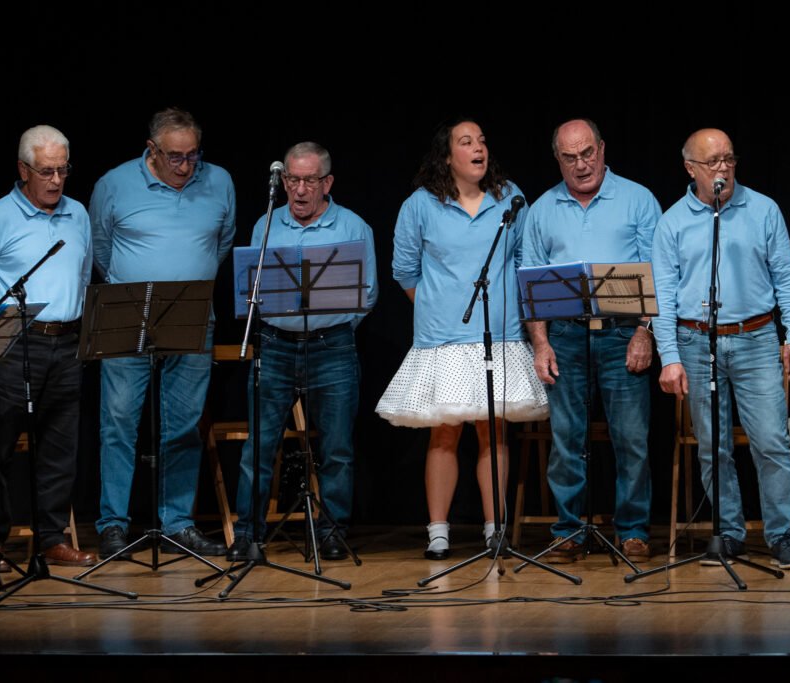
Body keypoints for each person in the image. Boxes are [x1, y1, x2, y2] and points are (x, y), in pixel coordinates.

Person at [377, 119, 547, 559]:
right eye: (466, 142)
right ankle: (438, 531)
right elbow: (404, 271)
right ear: (447, 155)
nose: (478, 148)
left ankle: (495, 528)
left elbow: (525, 261)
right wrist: (439, 306)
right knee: (444, 434)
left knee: (493, 431)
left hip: (499, 335)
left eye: (482, 141)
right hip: (444, 338)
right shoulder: (421, 204)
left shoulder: (509, 197)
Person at [651, 128, 790, 569]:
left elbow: (788, 277)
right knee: (712, 447)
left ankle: (781, 535)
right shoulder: (672, 222)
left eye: (729, 158)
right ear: (691, 169)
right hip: (695, 341)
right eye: (713, 162)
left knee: (771, 442)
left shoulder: (763, 210)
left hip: (756, 337)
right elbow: (662, 296)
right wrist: (670, 358)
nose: (723, 168)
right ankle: (729, 534)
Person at [90, 108, 236, 559]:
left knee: (184, 425)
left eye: (193, 155)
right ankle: (114, 525)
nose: (186, 166)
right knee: (118, 422)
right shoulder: (114, 184)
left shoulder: (220, 181)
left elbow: (222, 242)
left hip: (192, 314)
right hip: (127, 313)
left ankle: (177, 525)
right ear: (151, 150)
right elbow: (100, 248)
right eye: (175, 156)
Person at [226, 142, 377, 562]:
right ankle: (248, 535)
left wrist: (331, 326)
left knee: (336, 450)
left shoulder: (353, 227)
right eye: (292, 179)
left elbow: (366, 294)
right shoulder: (266, 225)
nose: (299, 189)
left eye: (309, 180)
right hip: (275, 346)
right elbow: (253, 290)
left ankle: (332, 531)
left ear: (327, 183)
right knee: (259, 448)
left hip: (332, 348)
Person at [521, 118, 661, 562]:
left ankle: (633, 531)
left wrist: (645, 332)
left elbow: (660, 273)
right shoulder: (541, 209)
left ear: (602, 149)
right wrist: (541, 344)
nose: (581, 164)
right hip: (565, 336)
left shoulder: (638, 199)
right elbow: (531, 286)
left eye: (587, 153)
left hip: (623, 334)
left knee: (631, 440)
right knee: (567, 441)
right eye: (570, 157)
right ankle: (568, 531)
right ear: (557, 160)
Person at [0, 124, 96, 570]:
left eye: (63, 170)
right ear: (23, 170)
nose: (56, 180)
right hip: (12, 343)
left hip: (66, 342)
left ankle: (51, 538)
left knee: (59, 449)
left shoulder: (78, 214)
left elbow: (83, 275)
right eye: (46, 171)